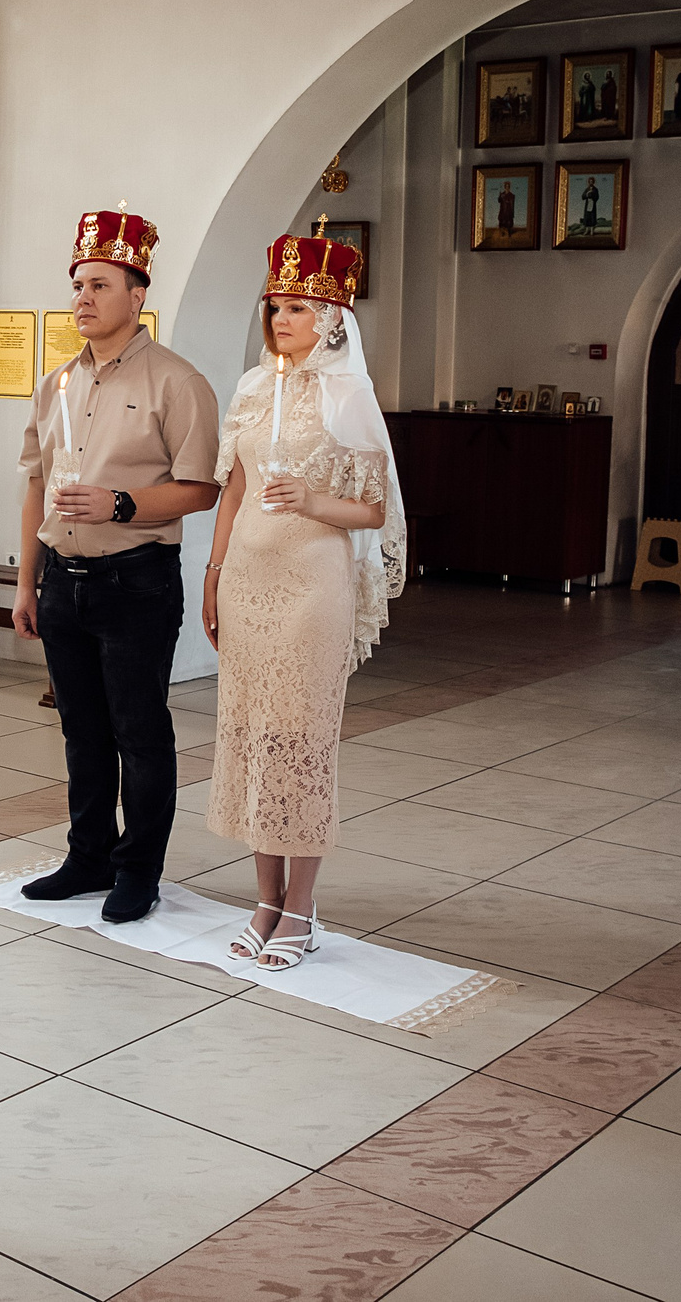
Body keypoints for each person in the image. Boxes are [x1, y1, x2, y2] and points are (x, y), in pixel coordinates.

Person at [201, 229, 406, 969]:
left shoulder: (349, 395)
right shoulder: (254, 389)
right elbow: (233, 488)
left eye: (295, 307)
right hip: (249, 581)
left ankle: (301, 908)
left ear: (332, 320)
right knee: (254, 734)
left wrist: (317, 498)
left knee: (300, 739)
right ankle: (263, 898)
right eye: (274, 306)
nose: (279, 319)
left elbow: (375, 511)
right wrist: (214, 570)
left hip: (312, 586)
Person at [14, 207, 221, 923]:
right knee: (81, 726)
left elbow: (201, 487)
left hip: (137, 579)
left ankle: (140, 869)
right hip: (64, 581)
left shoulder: (176, 381)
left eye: (99, 284)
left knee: (138, 728)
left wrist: (122, 503)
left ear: (138, 295)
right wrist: (26, 581)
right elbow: (35, 482)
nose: (83, 298)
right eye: (77, 284)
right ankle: (89, 854)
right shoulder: (56, 384)